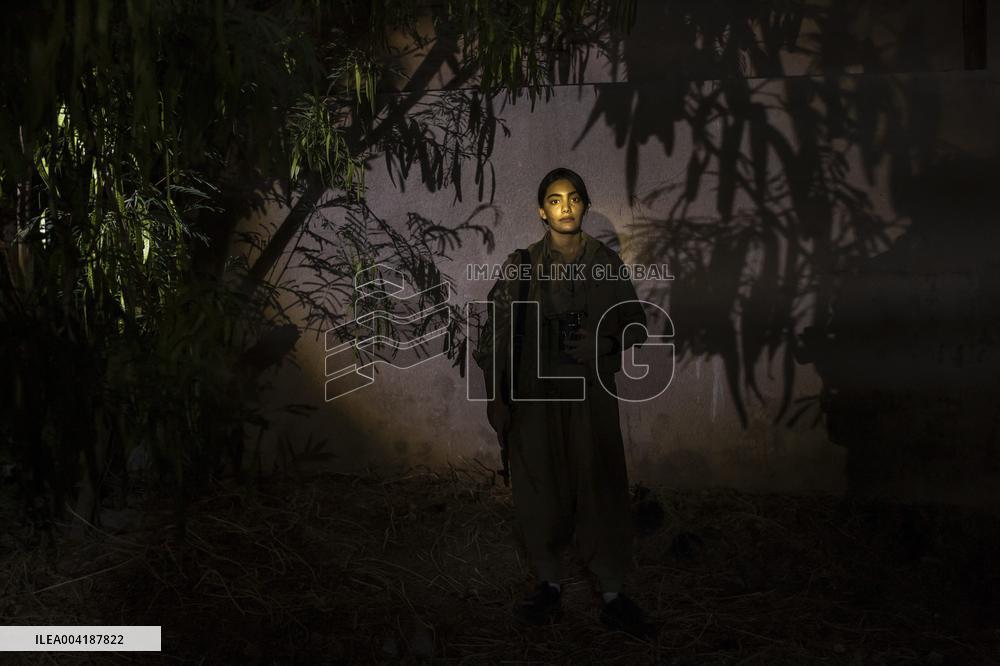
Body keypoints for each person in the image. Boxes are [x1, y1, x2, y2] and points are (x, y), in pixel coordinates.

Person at [472, 167, 657, 640]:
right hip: (535, 397)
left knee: (600, 485)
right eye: (555, 200)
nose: (566, 207)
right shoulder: (522, 267)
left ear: (585, 205)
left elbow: (637, 324)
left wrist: (603, 341)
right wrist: (497, 398)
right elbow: (495, 339)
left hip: (591, 395)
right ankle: (549, 585)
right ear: (542, 211)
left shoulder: (605, 263)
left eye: (573, 198)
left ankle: (612, 593)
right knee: (539, 487)